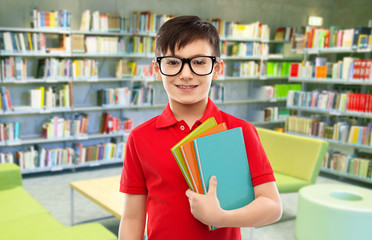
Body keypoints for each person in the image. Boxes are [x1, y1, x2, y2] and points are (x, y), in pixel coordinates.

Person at [118, 15, 282, 240]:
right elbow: (132, 218)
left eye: (199, 62)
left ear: (217, 68)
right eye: (173, 62)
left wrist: (221, 217)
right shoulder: (140, 137)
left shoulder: (239, 131)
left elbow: (272, 206)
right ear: (157, 69)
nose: (186, 74)